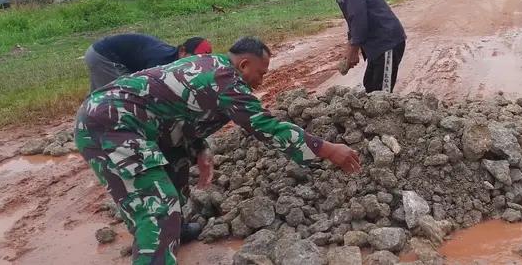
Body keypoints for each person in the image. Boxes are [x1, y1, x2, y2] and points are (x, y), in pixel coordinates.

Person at [74, 37, 361, 265]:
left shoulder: (213, 66)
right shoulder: (226, 81)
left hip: (131, 121)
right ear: (245, 65)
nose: (262, 81)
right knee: (157, 207)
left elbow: (181, 113)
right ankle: (158, 239)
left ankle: (174, 231)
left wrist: (200, 147)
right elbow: (263, 125)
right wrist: (327, 149)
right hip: (111, 122)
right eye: (261, 73)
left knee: (177, 165)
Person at [306, 0, 407, 93]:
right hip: (378, 45)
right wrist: (348, 50)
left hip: (387, 43)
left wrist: (353, 52)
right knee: (370, 85)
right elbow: (354, 22)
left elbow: (359, 22)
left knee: (381, 95)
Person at [84, 33, 213, 92]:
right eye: (194, 58)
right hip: (104, 55)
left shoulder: (171, 59)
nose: (195, 64)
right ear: (182, 51)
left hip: (109, 54)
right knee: (122, 93)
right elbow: (150, 90)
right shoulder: (161, 60)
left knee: (102, 92)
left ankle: (88, 122)